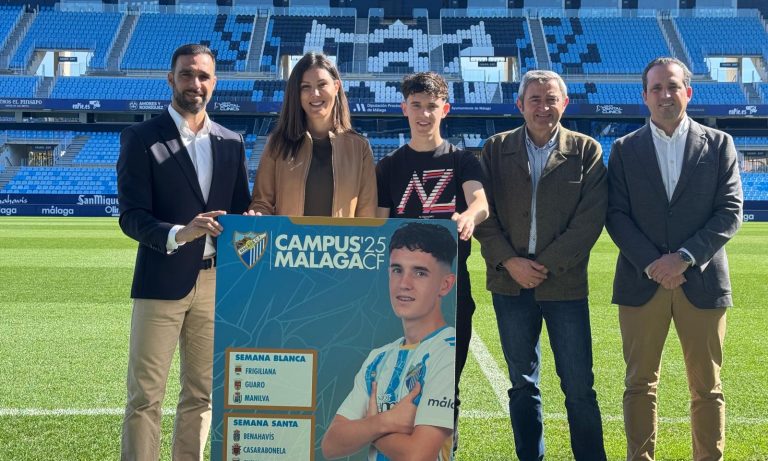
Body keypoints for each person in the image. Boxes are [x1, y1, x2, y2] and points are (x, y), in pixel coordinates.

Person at [116, 43, 251, 461]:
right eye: (188, 74)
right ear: (171, 79)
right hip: (161, 279)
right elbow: (131, 216)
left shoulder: (232, 141)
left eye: (204, 76)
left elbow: (242, 210)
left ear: (215, 83)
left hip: (216, 282)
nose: (196, 83)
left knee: (201, 394)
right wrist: (180, 233)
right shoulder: (140, 137)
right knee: (145, 397)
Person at [605, 57, 743, 461]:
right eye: (656, 89)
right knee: (639, 384)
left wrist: (682, 258)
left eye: (672, 87)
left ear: (688, 91)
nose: (665, 95)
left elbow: (730, 211)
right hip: (641, 282)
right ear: (645, 96)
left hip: (700, 282)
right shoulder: (625, 149)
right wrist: (653, 263)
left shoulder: (719, 145)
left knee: (707, 387)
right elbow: (616, 214)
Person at [473, 69, 607, 461]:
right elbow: (484, 214)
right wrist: (510, 261)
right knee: (521, 384)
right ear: (520, 105)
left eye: (551, 99)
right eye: (534, 99)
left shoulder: (586, 150)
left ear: (564, 104)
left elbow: (589, 221)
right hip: (510, 285)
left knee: (579, 386)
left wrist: (543, 265)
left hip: (564, 287)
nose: (543, 107)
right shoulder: (495, 149)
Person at [375, 71, 488, 429]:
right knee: (397, 385)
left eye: (432, 107)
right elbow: (378, 227)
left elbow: (480, 201)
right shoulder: (389, 167)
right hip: (404, 295)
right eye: (417, 106)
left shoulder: (463, 161)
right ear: (404, 108)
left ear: (446, 109)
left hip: (451, 292)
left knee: (445, 386)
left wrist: (469, 216)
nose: (424, 114)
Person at [322, 222, 457, 461]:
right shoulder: (379, 357)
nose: (404, 283)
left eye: (419, 272)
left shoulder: (448, 353)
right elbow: (331, 444)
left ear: (445, 285)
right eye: (397, 270)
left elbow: (418, 456)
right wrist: (386, 422)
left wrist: (369, 427)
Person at [248, 52, 376, 217]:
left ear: (336, 87)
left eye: (322, 84)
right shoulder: (277, 144)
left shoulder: (360, 148)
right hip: (288, 242)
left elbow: (367, 215)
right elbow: (261, 203)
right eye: (305, 87)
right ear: (297, 93)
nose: (314, 94)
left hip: (342, 243)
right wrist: (258, 215)